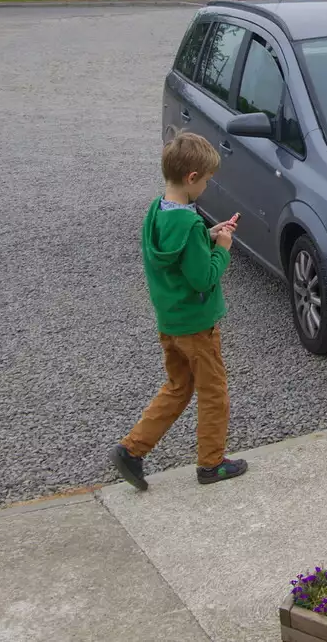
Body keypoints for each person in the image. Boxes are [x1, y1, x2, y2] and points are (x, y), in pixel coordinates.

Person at [110, 132, 249, 489]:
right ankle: (211, 463)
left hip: (170, 323)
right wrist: (222, 248)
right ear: (191, 178)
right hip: (197, 325)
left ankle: (132, 449)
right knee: (214, 392)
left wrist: (208, 235)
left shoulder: (158, 211)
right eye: (206, 180)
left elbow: (176, 257)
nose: (206, 186)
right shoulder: (188, 224)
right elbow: (203, 278)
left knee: (178, 386)